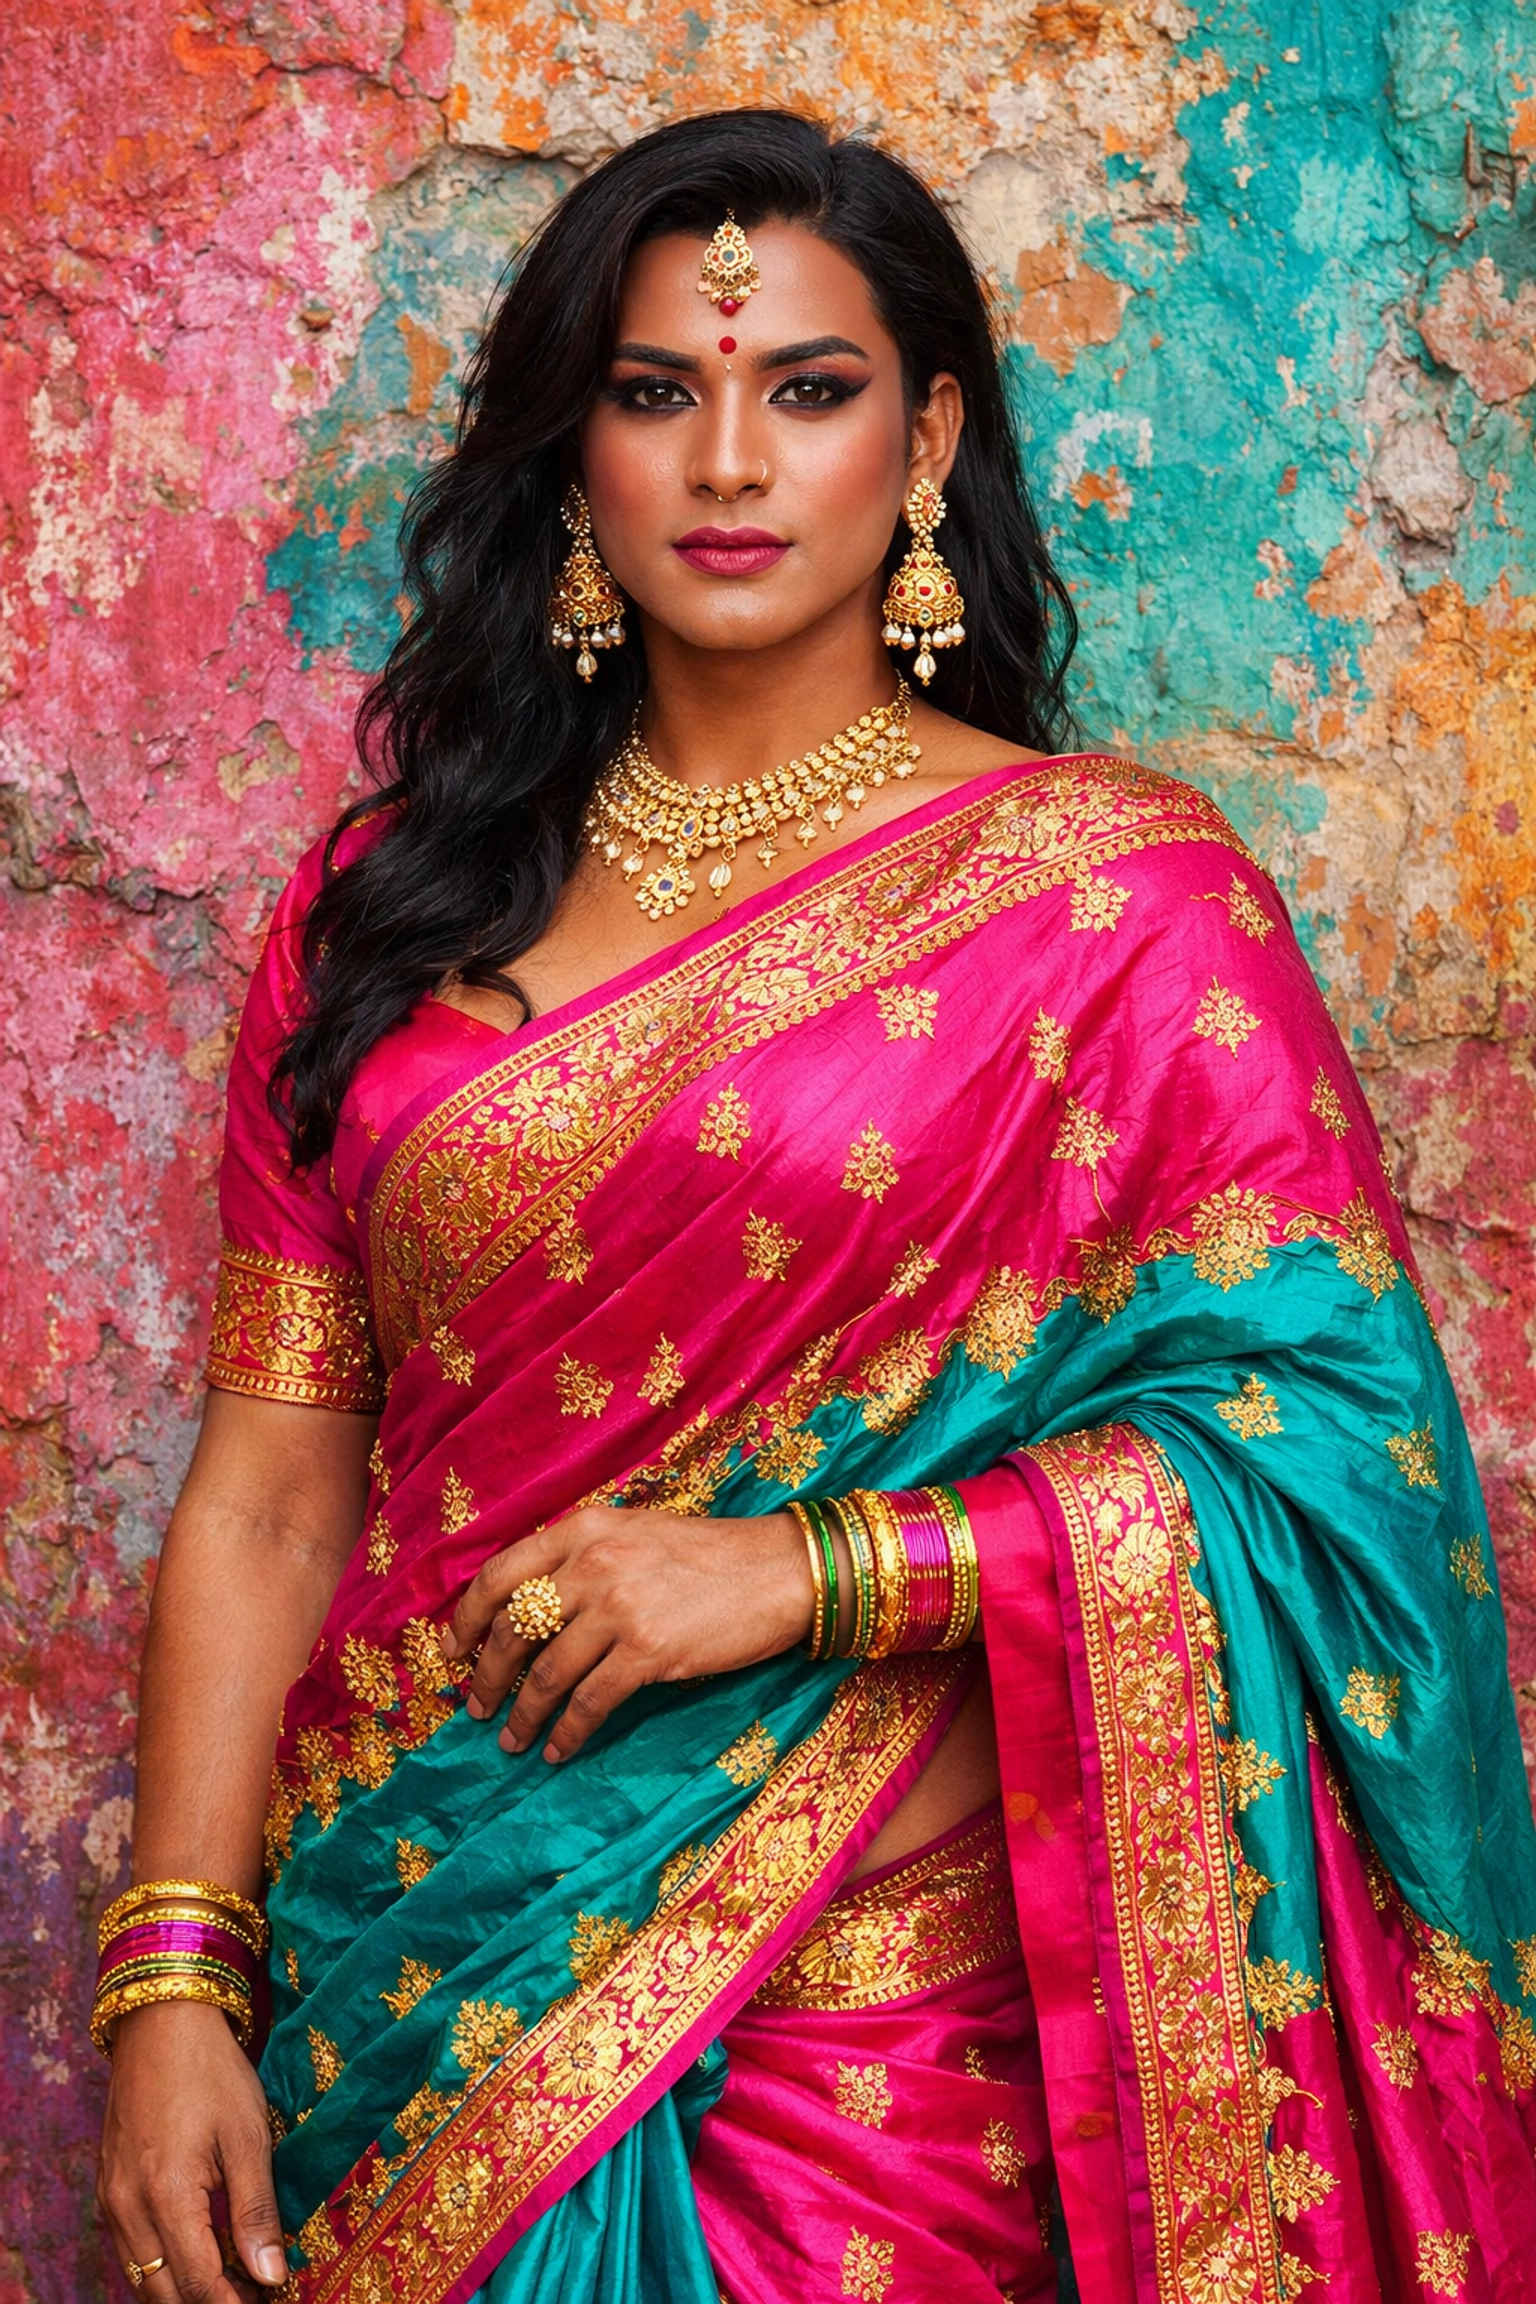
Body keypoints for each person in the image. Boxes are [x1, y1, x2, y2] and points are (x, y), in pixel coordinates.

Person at [95, 108, 1536, 2304]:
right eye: (659, 392)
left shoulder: (1121, 916)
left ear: (932, 431)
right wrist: (177, 1980)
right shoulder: (381, 919)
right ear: (575, 455)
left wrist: (816, 1568)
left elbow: (1330, 1467)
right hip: (422, 1960)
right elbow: (278, 1490)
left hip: (886, 2046)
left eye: (813, 389)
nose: (733, 464)